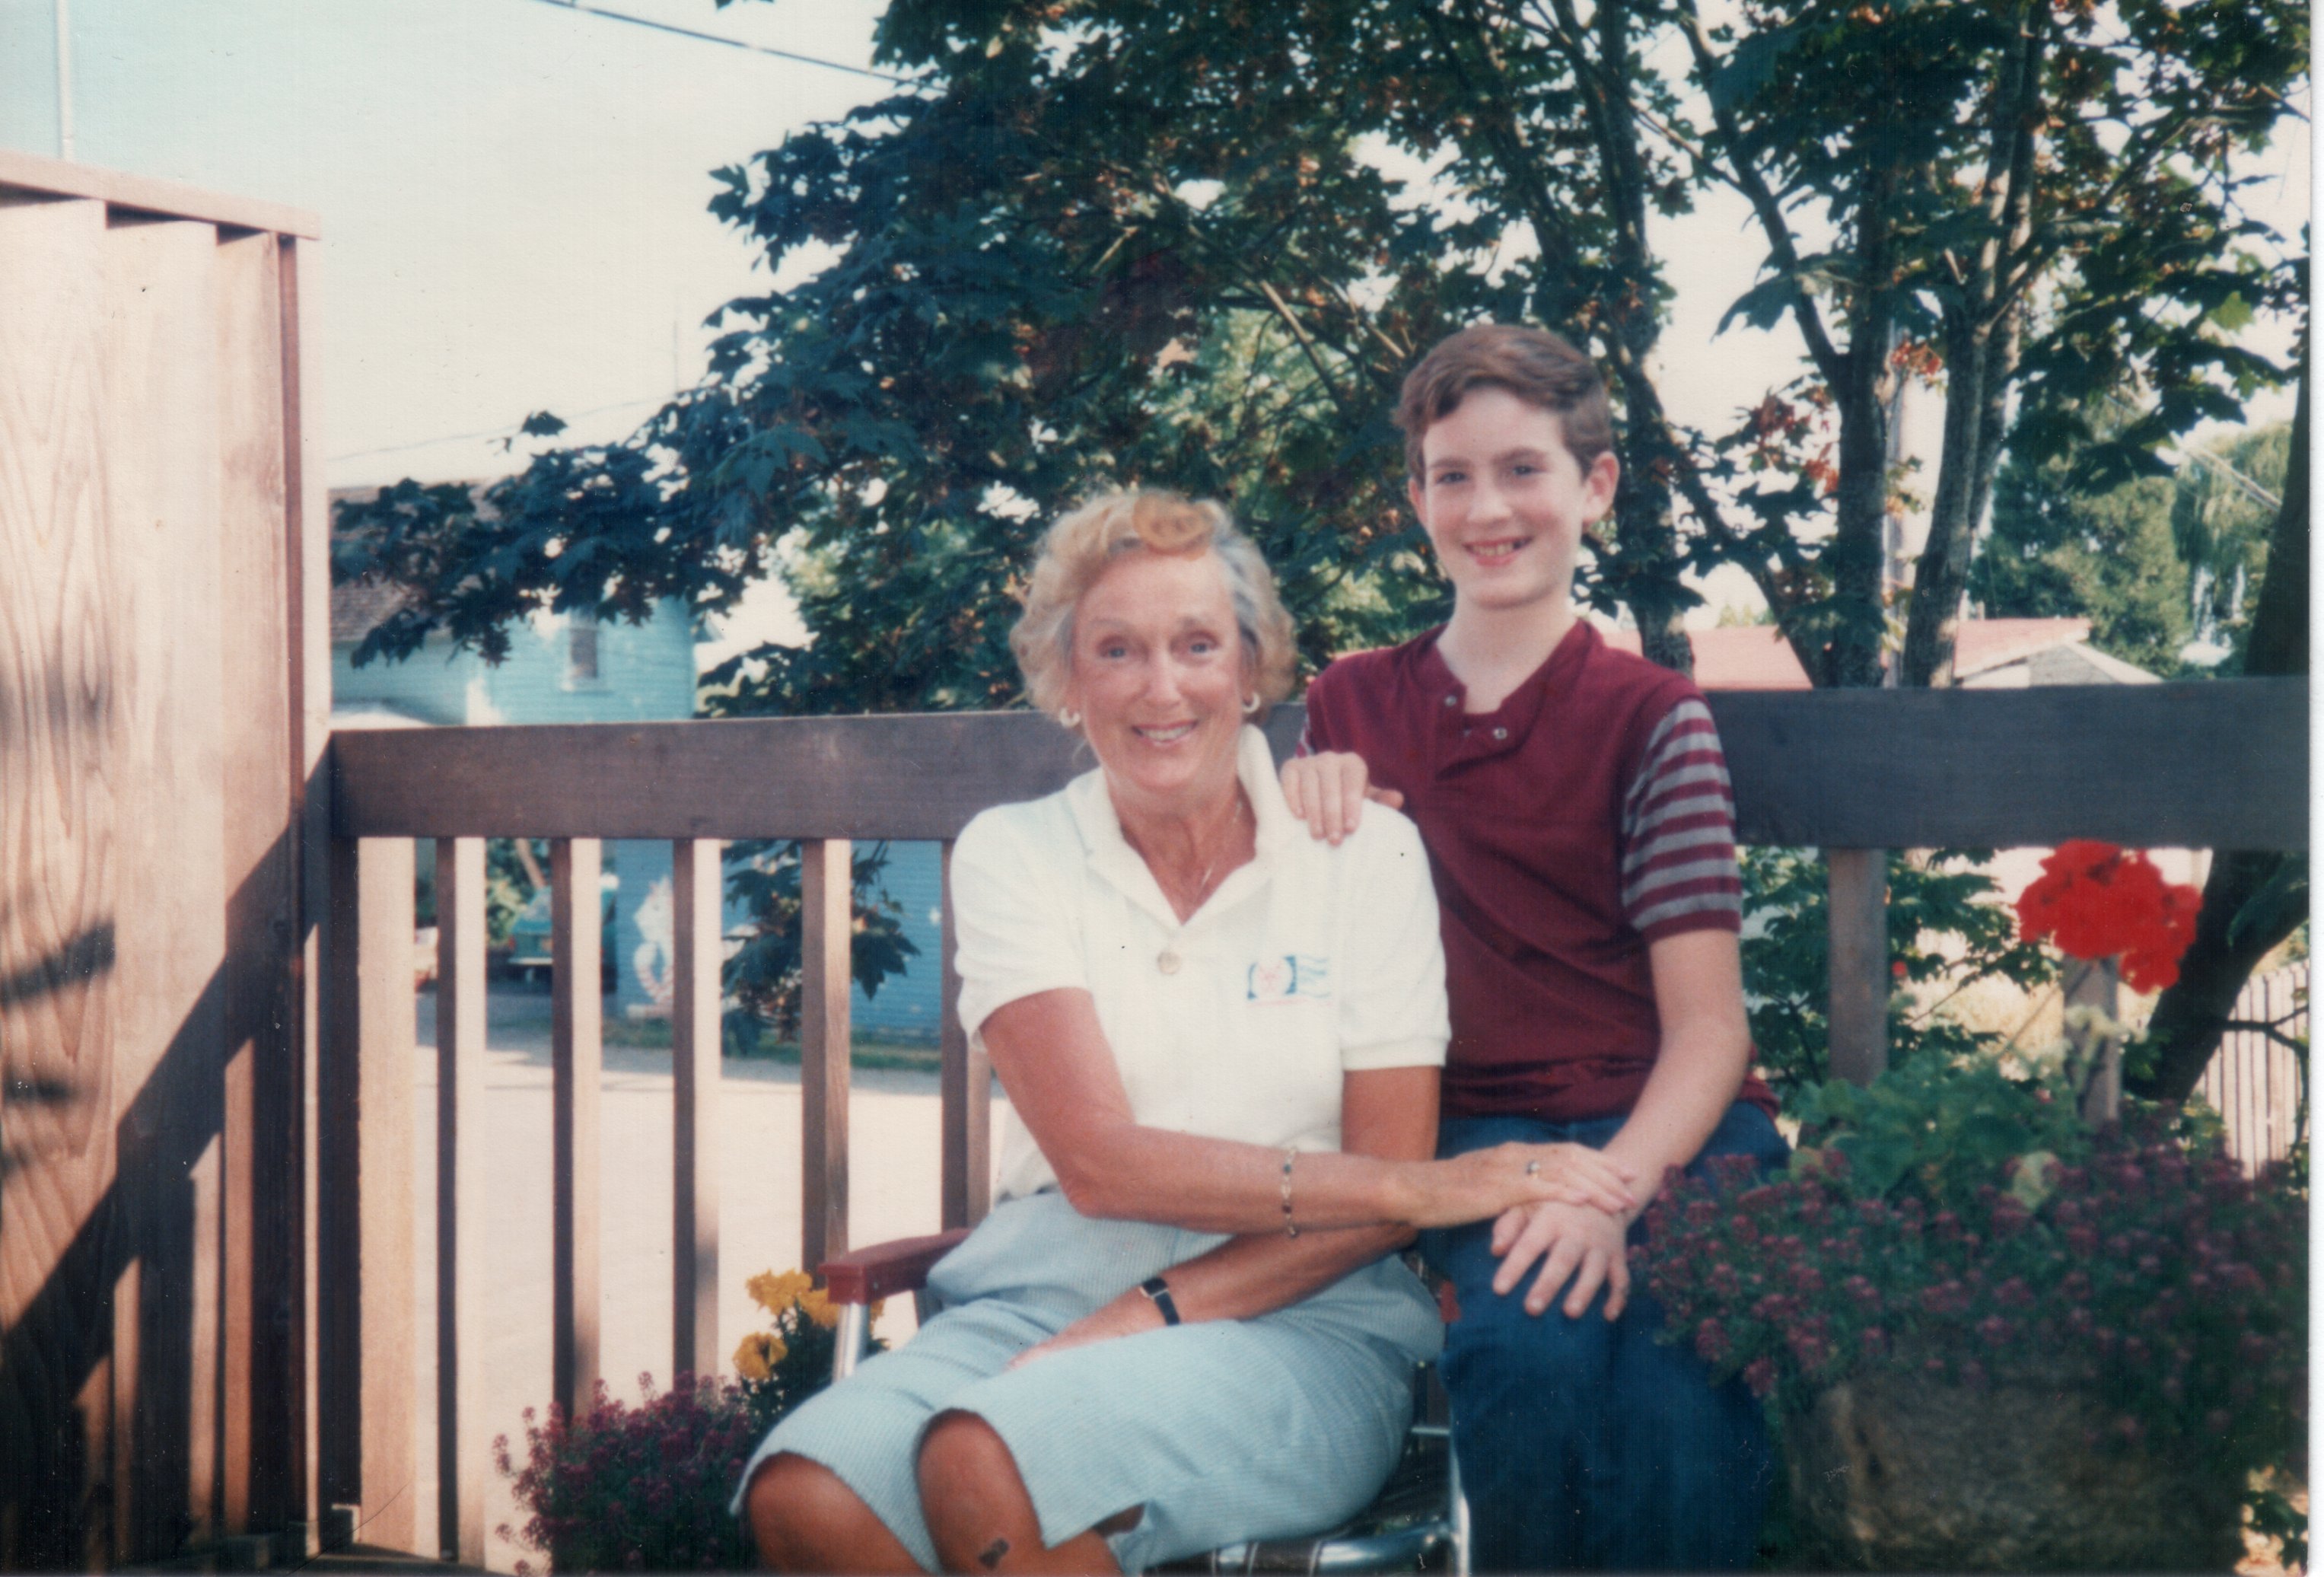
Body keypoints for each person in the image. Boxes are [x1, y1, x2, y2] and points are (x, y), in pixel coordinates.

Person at [737, 488, 1638, 1575]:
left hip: (1302, 1311)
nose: (1160, 687)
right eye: (1116, 650)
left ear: (1250, 669)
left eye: (1197, 645)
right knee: (810, 1495)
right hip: (1036, 1295)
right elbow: (1101, 1164)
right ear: (1069, 682)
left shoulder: (1363, 856)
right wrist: (1424, 1187)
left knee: (991, 1463)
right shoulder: (1013, 854)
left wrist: (1149, 1313)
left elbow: (1377, 1195)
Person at [1281, 323, 1790, 1571]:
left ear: (1594, 486)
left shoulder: (1651, 717)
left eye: (1523, 470)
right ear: (1416, 500)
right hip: (1472, 1134)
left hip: (1673, 1124)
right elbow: (1284, 945)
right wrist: (1302, 810)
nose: (1487, 509)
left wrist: (1608, 1192)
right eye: (1451, 476)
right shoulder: (1349, 706)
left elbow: (1708, 1029)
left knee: (1679, 1387)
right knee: (1524, 1353)